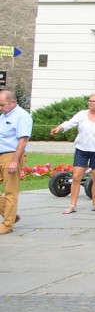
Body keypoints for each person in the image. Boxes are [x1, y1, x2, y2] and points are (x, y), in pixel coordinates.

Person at [50, 93, 95, 213]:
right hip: (82, 149)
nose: (91, 103)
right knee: (76, 177)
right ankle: (72, 205)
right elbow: (69, 123)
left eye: (94, 101)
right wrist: (60, 128)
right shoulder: (82, 114)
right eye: (89, 101)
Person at [0, 90, 32, 235]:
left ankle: (7, 225)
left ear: (13, 102)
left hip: (11, 155)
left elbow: (23, 140)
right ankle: (11, 215)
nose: (0, 107)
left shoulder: (22, 116)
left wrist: (14, 161)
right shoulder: (4, 116)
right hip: (1, 155)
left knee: (10, 192)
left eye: (2, 105)